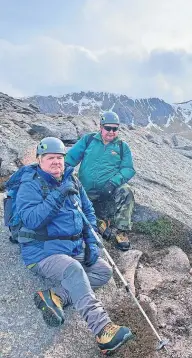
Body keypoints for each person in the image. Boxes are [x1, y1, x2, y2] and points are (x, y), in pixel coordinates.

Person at [16, 137, 133, 355]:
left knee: (103, 271)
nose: (56, 162)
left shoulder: (72, 180)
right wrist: (58, 196)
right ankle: (102, 329)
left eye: (59, 158)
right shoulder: (30, 184)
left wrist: (91, 245)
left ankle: (56, 296)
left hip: (73, 248)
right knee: (73, 270)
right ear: (39, 160)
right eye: (50, 158)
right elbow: (31, 219)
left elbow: (88, 213)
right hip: (42, 252)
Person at [65, 111, 135, 251]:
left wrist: (113, 183)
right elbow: (70, 158)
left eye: (115, 129)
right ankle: (99, 223)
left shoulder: (122, 147)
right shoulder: (88, 140)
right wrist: (62, 173)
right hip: (85, 189)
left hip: (110, 189)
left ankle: (121, 232)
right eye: (108, 128)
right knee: (69, 200)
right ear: (101, 127)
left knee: (127, 191)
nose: (111, 132)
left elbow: (128, 169)